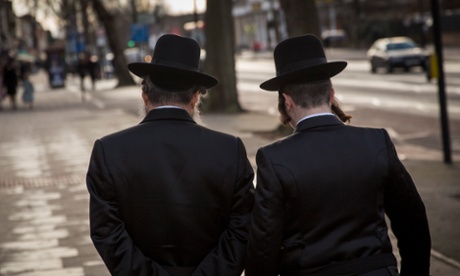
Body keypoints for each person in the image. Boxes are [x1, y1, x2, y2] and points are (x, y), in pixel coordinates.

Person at [246, 34, 431, 276]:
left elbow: (263, 247)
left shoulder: (274, 158)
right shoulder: (376, 142)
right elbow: (413, 224)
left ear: (287, 101)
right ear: (331, 94)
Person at [86, 34, 255, 276]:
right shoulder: (230, 150)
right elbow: (244, 230)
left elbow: (107, 233)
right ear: (196, 97)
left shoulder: (109, 151)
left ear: (145, 96)